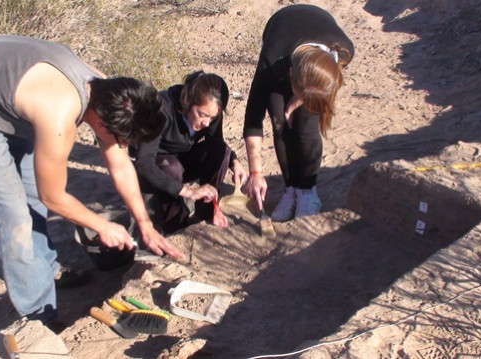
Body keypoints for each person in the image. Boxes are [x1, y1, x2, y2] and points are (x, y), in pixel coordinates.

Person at [0, 35, 184, 330]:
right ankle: (39, 317)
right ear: (101, 123)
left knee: (32, 192)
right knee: (13, 216)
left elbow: (120, 164)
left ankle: (46, 269)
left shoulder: (109, 94)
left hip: (2, 90)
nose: (124, 146)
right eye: (125, 139)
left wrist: (145, 225)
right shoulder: (59, 115)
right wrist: (102, 225)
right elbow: (54, 197)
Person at [242, 4, 354, 222]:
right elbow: (253, 117)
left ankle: (307, 192)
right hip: (282, 33)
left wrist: (299, 100)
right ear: (291, 75)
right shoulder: (271, 62)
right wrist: (255, 173)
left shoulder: (344, 50)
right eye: (298, 90)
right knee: (279, 123)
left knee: (306, 125)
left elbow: (320, 85)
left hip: (311, 61)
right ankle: (291, 188)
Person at [132, 70, 247, 234]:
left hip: (181, 160)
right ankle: (176, 224)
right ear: (187, 101)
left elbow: (216, 143)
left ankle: (206, 211)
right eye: (202, 115)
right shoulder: (159, 109)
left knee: (221, 152)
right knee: (171, 167)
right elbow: (144, 163)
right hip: (152, 169)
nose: (207, 123)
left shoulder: (212, 113)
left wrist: (234, 162)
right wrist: (188, 192)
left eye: (212, 118)